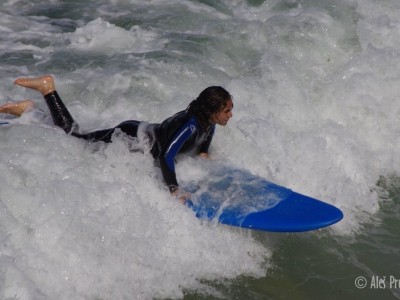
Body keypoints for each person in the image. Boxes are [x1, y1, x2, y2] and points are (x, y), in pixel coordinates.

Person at [12, 75, 234, 201]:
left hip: (139, 132)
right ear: (211, 110)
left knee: (80, 134)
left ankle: (30, 111)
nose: (230, 115)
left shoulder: (207, 121)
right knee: (74, 137)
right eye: (226, 111)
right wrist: (174, 189)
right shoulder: (190, 125)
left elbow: (207, 135)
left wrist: (204, 153)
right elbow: (166, 156)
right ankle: (47, 89)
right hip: (132, 138)